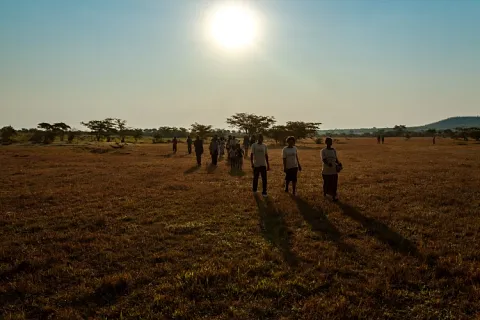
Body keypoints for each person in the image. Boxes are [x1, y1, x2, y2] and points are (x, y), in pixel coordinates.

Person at [321, 137, 341, 202]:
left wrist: (339, 163)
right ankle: (325, 194)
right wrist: (328, 164)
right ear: (326, 142)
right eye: (328, 142)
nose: (330, 143)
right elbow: (324, 159)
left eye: (331, 142)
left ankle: (333, 196)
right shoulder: (323, 150)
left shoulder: (333, 150)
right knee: (326, 183)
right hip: (326, 170)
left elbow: (336, 159)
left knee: (334, 184)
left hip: (334, 170)